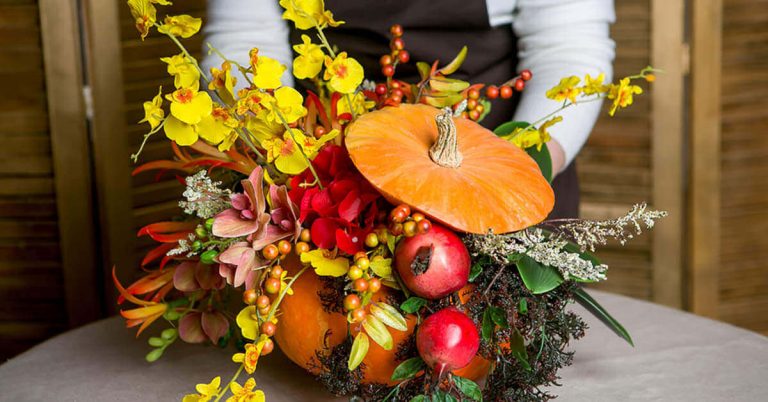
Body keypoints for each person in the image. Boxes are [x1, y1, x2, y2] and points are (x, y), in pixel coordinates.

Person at [202, 0, 616, 219]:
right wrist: (293, 177)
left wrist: (513, 187)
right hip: (324, 180)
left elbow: (570, 49)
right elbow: (242, 41)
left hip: (497, 163)